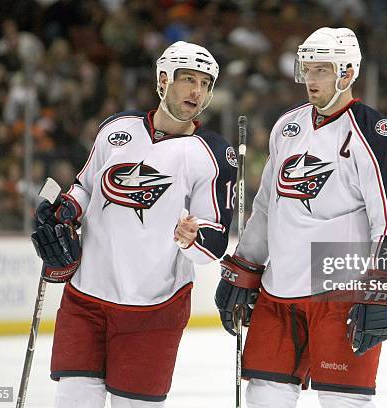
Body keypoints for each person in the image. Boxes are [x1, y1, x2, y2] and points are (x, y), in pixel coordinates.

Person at [215, 27, 387, 408]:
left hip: (340, 295)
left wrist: (380, 287)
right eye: (307, 68)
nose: (310, 79)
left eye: (321, 70)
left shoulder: (374, 133)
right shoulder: (287, 126)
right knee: (262, 397)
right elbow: (265, 206)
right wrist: (244, 264)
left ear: (346, 73)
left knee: (343, 402)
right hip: (278, 295)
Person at [31, 41, 237, 408]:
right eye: (188, 79)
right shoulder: (116, 129)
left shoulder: (213, 153)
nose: (197, 91)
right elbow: (85, 188)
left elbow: (214, 243)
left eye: (206, 84)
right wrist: (63, 211)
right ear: (163, 79)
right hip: (86, 299)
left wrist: (193, 239)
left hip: (154, 309)